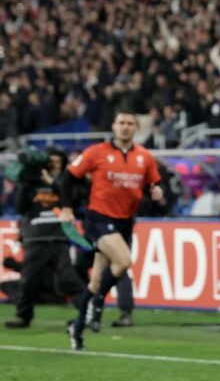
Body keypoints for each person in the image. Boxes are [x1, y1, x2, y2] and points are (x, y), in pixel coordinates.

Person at [60, 108, 164, 349]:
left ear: (136, 128)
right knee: (124, 260)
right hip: (98, 218)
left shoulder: (145, 157)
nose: (125, 127)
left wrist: (157, 190)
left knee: (96, 279)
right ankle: (97, 304)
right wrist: (66, 208)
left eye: (130, 123)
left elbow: (154, 183)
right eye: (121, 123)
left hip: (125, 221)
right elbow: (69, 177)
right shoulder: (96, 152)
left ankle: (77, 328)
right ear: (114, 126)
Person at [4, 147, 87, 329]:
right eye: (51, 162)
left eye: (58, 162)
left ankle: (85, 315)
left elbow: (75, 199)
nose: (55, 165)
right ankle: (23, 316)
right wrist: (25, 183)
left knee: (67, 278)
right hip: (35, 237)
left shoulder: (67, 181)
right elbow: (20, 208)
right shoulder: (31, 182)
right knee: (28, 280)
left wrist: (54, 183)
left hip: (59, 237)